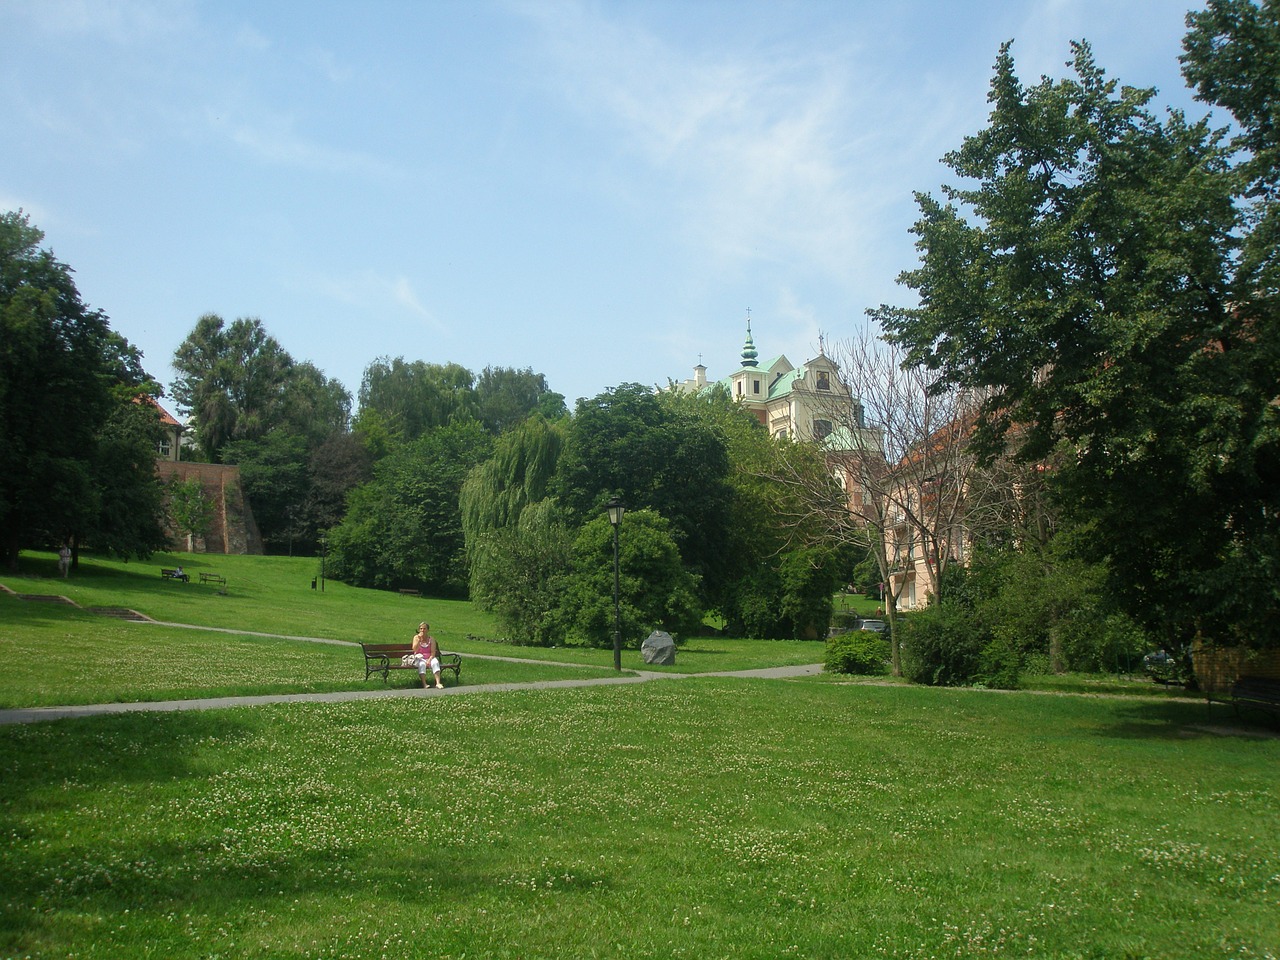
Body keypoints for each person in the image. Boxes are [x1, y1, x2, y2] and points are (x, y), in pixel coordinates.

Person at [411, 621, 445, 689]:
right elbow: (415, 649)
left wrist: (429, 660)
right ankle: (424, 684)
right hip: (420, 657)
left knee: (435, 662)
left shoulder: (431, 639)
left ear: (428, 630)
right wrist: (419, 640)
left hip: (430, 657)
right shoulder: (416, 638)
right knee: (422, 665)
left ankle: (438, 683)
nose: (422, 630)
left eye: (424, 629)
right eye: (421, 629)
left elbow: (433, 652)